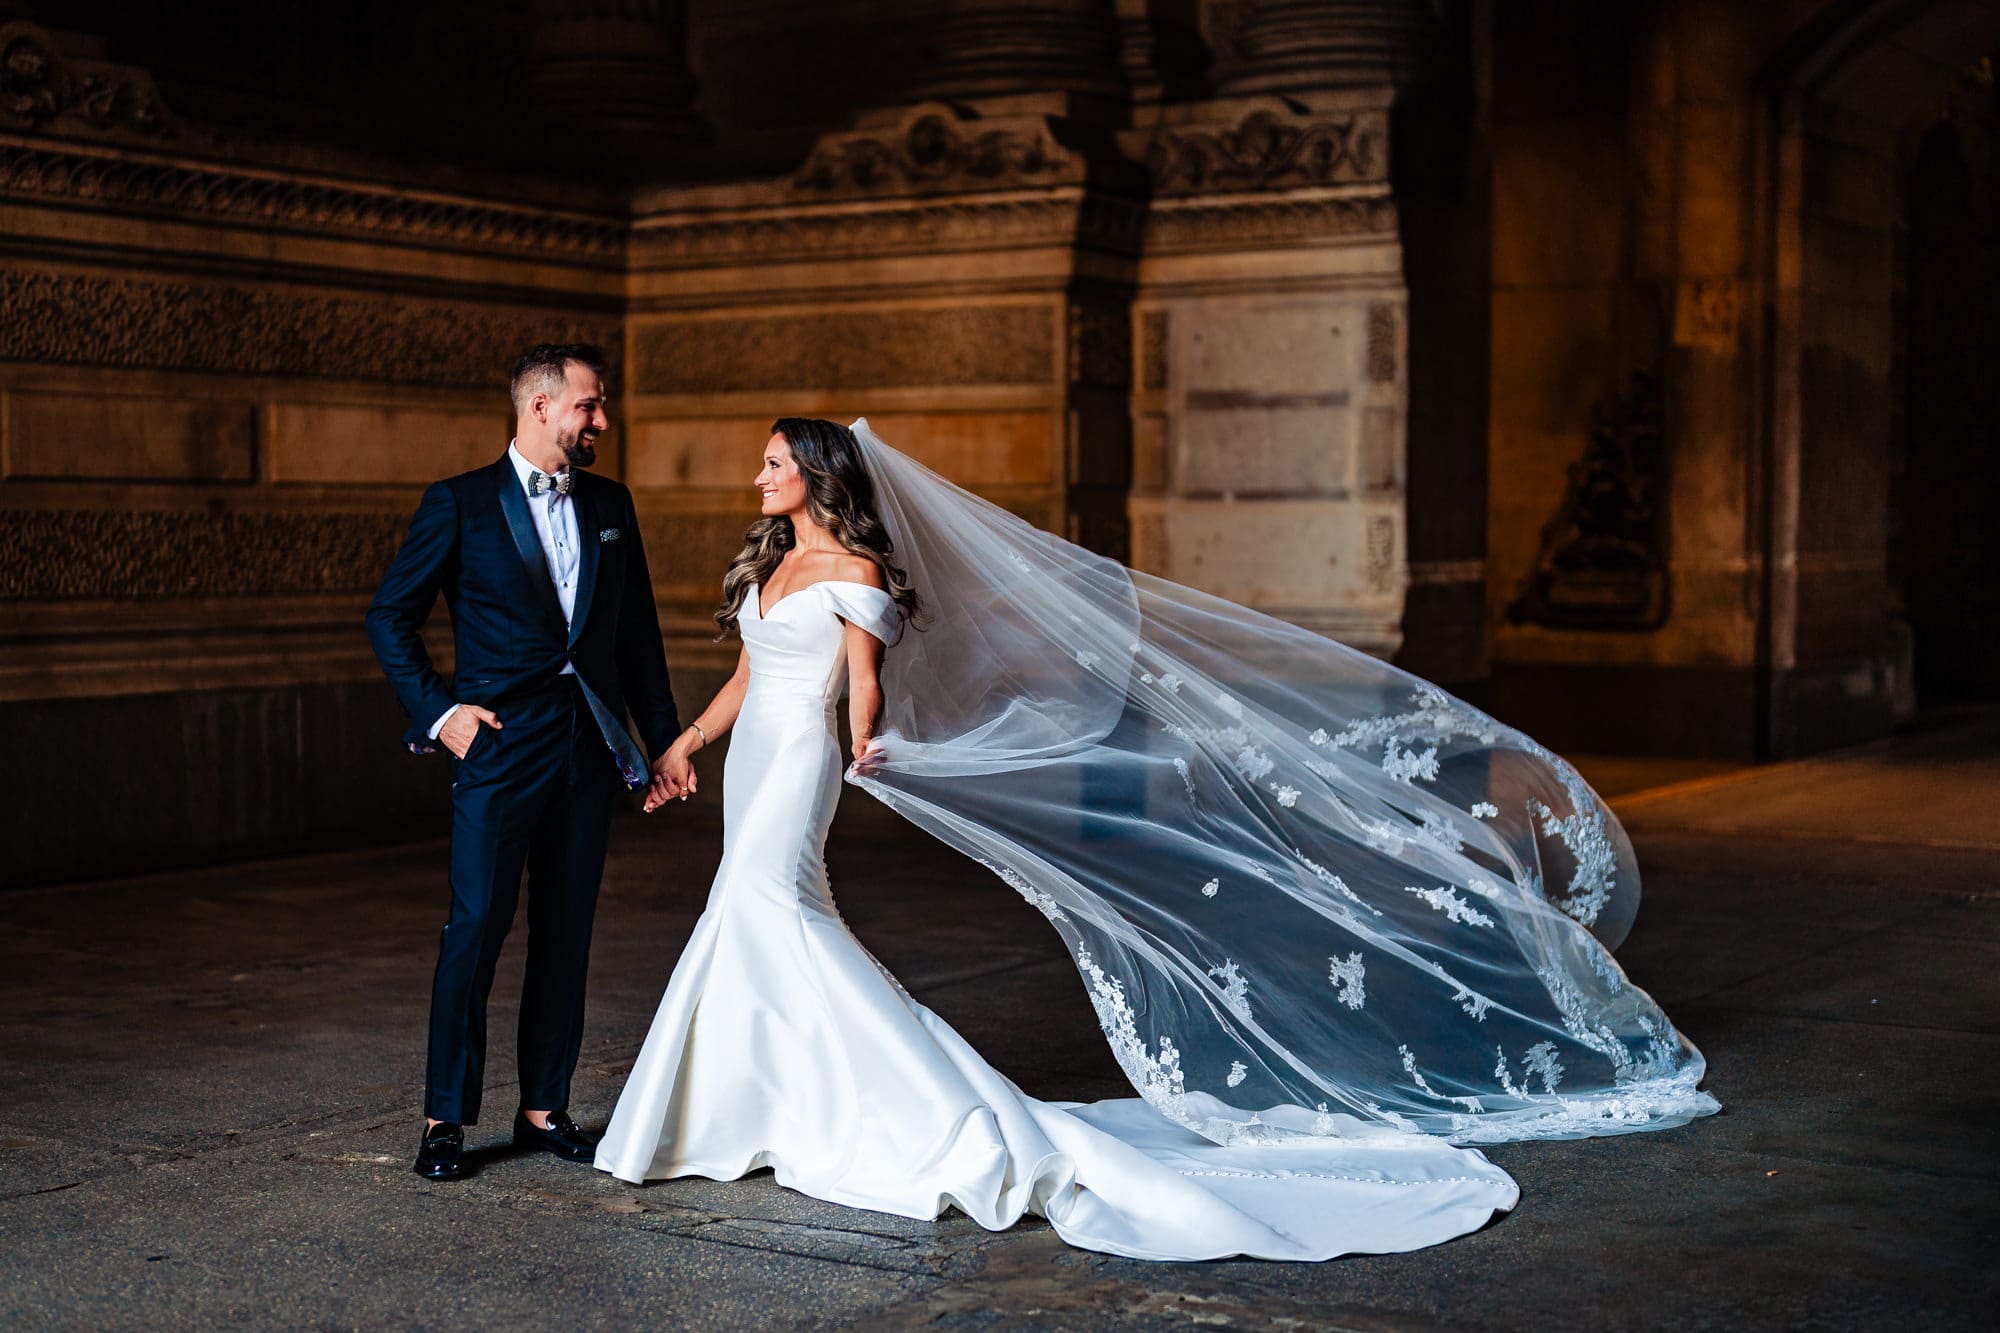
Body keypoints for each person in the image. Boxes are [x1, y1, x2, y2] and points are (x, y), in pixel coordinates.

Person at [595, 418, 1716, 1261]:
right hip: (748, 757)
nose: (760, 476)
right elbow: (748, 671)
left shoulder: (850, 570)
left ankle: (908, 1110)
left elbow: (862, 686)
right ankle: (759, 1099)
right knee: (750, 915)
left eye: (776, 463)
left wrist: (867, 751)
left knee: (780, 911)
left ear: (819, 477)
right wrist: (683, 745)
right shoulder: (773, 563)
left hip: (801, 761)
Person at [366, 343, 686, 1182]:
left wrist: (663, 742)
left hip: (588, 752)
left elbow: (637, 638)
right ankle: (445, 1117)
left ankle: (545, 1107)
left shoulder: (612, 503)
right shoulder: (461, 503)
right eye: (591, 405)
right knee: (475, 926)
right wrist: (439, 713)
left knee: (567, 928)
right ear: (541, 407)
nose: (602, 421)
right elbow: (389, 617)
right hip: (499, 748)